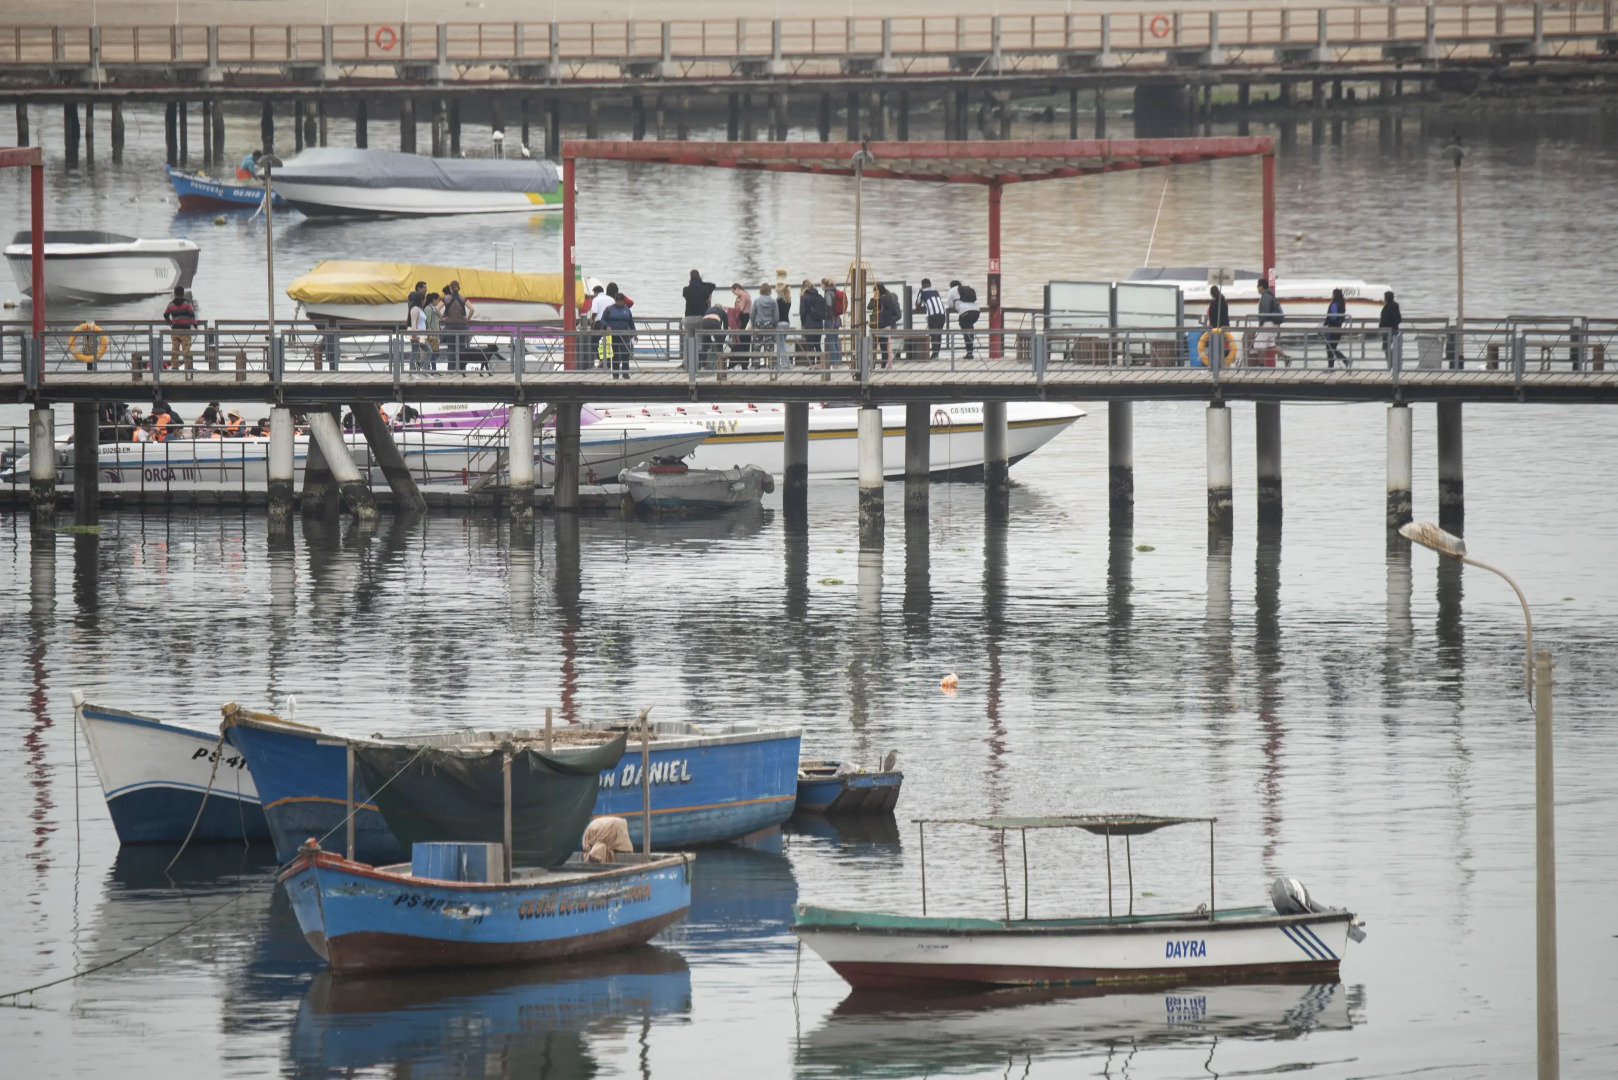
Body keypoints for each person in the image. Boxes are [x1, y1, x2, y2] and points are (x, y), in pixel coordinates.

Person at [599, 289, 636, 380]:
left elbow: (631, 322)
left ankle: (625, 373)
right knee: (615, 354)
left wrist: (634, 333)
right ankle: (615, 373)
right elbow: (603, 320)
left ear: (624, 301)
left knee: (625, 353)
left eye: (621, 302)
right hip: (614, 335)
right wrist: (607, 326)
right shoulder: (609, 309)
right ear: (615, 301)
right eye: (618, 302)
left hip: (625, 335)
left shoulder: (627, 310)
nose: (619, 304)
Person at [163, 286, 197, 370]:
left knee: (175, 349)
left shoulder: (171, 304)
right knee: (186, 350)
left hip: (175, 330)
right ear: (183, 293)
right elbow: (192, 315)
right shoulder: (187, 304)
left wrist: (170, 322)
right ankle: (188, 367)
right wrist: (195, 325)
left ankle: (174, 366)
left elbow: (165, 314)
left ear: (174, 294)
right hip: (185, 330)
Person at [441, 281, 473, 370]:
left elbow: (437, 309)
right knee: (462, 347)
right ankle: (461, 368)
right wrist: (467, 318)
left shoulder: (446, 298)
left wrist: (442, 318)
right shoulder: (463, 298)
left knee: (451, 347)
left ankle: (451, 368)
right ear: (459, 288)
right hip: (462, 325)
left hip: (450, 325)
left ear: (450, 288)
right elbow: (472, 309)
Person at [915, 278, 947, 361]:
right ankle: (937, 353)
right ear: (930, 284)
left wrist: (921, 307)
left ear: (922, 284)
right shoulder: (935, 291)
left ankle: (934, 354)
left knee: (933, 334)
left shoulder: (922, 291)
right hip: (942, 314)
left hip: (933, 314)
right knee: (939, 333)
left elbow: (918, 305)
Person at [1255, 279, 1285, 366]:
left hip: (1267, 323)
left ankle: (1261, 365)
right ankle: (1285, 357)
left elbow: (1264, 312)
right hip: (1274, 324)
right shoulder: (1271, 295)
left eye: (1258, 286)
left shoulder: (1265, 297)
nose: (1257, 289)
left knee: (1260, 343)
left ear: (1261, 287)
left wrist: (1261, 324)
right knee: (1271, 345)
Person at [949, 279, 979, 359]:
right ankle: (970, 351)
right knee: (969, 329)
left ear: (951, 286)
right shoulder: (965, 290)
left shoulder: (952, 290)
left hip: (965, 312)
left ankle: (969, 353)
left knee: (966, 331)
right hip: (976, 311)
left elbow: (950, 305)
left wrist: (957, 305)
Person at [798, 280, 827, 362]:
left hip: (809, 325)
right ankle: (819, 364)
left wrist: (803, 323)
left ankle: (813, 365)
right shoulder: (819, 296)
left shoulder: (804, 297)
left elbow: (802, 312)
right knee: (818, 345)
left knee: (810, 346)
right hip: (819, 324)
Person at [682, 270, 716, 340]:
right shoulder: (704, 289)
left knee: (689, 339)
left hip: (688, 318)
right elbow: (713, 286)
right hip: (700, 317)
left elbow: (686, 297)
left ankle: (689, 350)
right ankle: (700, 350)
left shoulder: (686, 290)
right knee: (700, 339)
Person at [751, 283, 778, 367]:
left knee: (757, 346)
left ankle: (756, 365)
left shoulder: (757, 301)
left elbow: (752, 314)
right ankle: (771, 365)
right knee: (770, 346)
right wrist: (775, 325)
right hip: (769, 325)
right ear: (769, 291)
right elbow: (776, 316)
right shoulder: (773, 301)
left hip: (758, 325)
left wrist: (753, 324)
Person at [822, 277, 846, 367]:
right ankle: (837, 362)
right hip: (837, 319)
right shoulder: (835, 292)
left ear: (825, 285)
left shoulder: (828, 293)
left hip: (830, 320)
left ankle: (833, 363)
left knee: (831, 341)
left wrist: (826, 314)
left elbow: (828, 305)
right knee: (835, 341)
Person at [876, 284, 901, 367]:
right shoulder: (889, 298)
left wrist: (889, 321)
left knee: (886, 344)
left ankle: (888, 363)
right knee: (886, 344)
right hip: (887, 323)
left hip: (887, 324)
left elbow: (898, 315)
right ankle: (888, 363)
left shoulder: (885, 299)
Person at [1322, 287, 1349, 368]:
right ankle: (1342, 361)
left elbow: (1332, 317)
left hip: (1332, 329)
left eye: (1332, 294)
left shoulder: (1334, 304)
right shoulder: (1342, 304)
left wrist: (1325, 323)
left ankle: (1333, 365)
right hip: (1339, 328)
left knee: (1329, 347)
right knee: (1332, 347)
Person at [728, 283, 753, 366]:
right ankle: (744, 363)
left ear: (737, 289)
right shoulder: (747, 295)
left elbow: (741, 309)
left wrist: (728, 309)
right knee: (745, 341)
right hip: (746, 319)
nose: (734, 294)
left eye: (734, 292)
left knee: (741, 340)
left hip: (744, 319)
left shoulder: (743, 296)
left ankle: (740, 363)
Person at [1379, 290, 1402, 365]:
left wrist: (1381, 327)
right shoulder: (1396, 306)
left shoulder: (1387, 307)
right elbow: (1399, 318)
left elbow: (1384, 320)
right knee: (1394, 347)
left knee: (1386, 347)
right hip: (1395, 329)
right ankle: (1395, 364)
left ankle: (1390, 364)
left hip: (1387, 331)